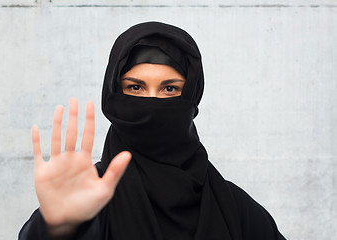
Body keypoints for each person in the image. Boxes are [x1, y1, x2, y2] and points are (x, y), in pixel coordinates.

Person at [19, 22, 286, 240]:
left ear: (191, 96)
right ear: (113, 94)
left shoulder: (236, 209)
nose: (152, 102)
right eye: (135, 87)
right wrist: (57, 228)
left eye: (170, 89)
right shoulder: (87, 197)